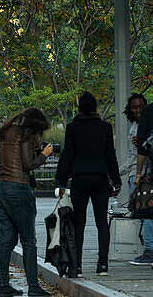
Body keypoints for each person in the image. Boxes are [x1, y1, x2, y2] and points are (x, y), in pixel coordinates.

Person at [55, 91, 121, 278]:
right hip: (100, 177)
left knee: (79, 223)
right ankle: (102, 265)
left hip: (80, 178)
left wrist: (60, 180)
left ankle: (77, 266)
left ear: (79, 108)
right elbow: (110, 155)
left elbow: (67, 155)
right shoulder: (105, 127)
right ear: (95, 107)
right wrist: (116, 180)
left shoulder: (72, 127)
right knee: (101, 222)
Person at [0, 106, 53, 297]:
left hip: (1, 187)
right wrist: (44, 155)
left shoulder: (6, 131)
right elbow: (28, 164)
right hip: (18, 189)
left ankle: (3, 286)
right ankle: (33, 287)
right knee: (28, 240)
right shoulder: (25, 133)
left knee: (5, 241)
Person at [122, 94, 153, 264]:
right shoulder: (134, 125)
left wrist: (138, 174)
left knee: (147, 213)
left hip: (142, 175)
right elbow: (130, 159)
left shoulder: (145, 125)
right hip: (134, 172)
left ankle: (149, 250)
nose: (138, 110)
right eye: (134, 107)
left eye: (141, 106)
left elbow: (140, 153)